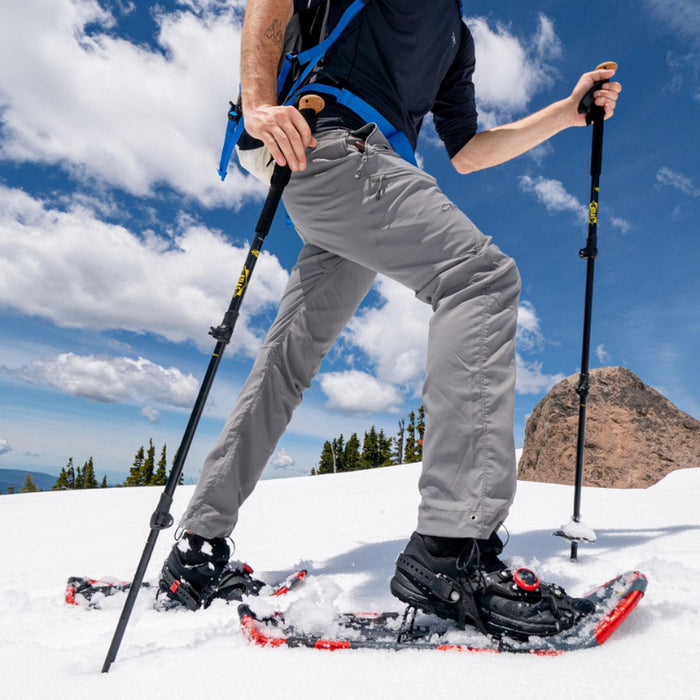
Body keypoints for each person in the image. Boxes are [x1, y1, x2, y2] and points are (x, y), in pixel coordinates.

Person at [158, 0, 621, 638]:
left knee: (287, 362)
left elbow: (466, 151)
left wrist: (564, 117)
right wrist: (259, 101)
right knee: (481, 278)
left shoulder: (456, 37)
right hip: (331, 145)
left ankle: (197, 551)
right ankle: (450, 551)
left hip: (359, 171)